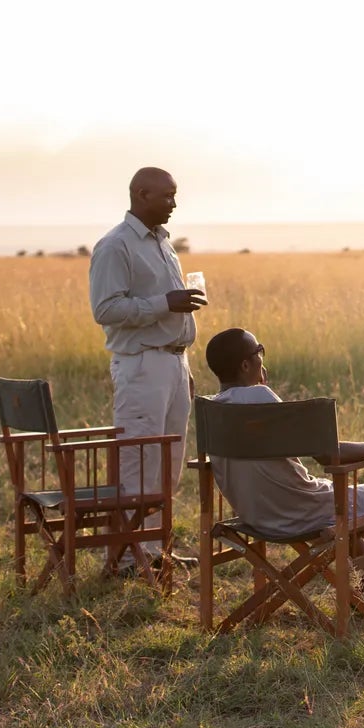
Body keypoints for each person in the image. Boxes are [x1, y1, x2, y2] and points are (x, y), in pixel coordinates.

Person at [204, 327, 364, 612]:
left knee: (346, 498)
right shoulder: (259, 398)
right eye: (259, 351)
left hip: (254, 515)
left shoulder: (213, 410)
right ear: (246, 365)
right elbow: (327, 455)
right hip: (299, 511)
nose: (262, 358)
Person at [89, 166, 206, 572]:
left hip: (172, 362)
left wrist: (183, 362)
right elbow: (105, 309)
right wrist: (164, 304)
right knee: (139, 460)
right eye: (167, 196)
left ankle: (156, 550)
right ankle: (125, 557)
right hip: (141, 366)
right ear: (142, 194)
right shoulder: (115, 246)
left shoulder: (162, 243)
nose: (174, 204)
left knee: (169, 462)